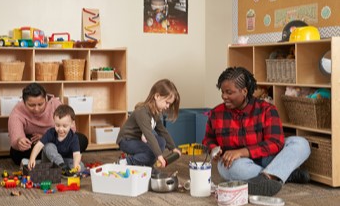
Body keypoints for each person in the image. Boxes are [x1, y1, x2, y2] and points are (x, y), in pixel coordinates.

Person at [202, 67, 311, 196]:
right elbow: (208, 140)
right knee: (228, 168)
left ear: (244, 91)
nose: (224, 96)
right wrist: (214, 149)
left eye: (229, 92)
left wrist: (242, 152)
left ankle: (270, 177)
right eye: (222, 92)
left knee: (301, 144)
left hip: (267, 157)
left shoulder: (267, 110)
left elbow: (275, 142)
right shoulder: (216, 113)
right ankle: (281, 174)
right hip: (239, 163)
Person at [8, 83, 88, 166]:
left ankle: (49, 161)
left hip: (58, 140)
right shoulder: (17, 112)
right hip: (36, 144)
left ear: (46, 99)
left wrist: (46, 136)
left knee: (81, 139)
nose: (36, 109)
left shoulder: (55, 104)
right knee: (16, 153)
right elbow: (15, 137)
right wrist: (20, 141)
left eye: (40, 104)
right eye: (31, 105)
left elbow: (71, 129)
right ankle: (61, 159)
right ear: (24, 102)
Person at [116, 79, 182, 171]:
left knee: (161, 142)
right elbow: (149, 135)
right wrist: (159, 156)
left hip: (137, 139)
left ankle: (146, 165)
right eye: (167, 102)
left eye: (169, 104)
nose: (167, 106)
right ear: (157, 96)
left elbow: (162, 131)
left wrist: (173, 148)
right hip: (126, 140)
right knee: (152, 152)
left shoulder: (155, 112)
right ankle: (126, 162)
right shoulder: (142, 112)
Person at [28, 104, 84, 176]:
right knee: (48, 146)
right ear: (54, 121)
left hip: (66, 161)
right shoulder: (50, 133)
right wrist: (32, 158)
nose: (60, 129)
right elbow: (39, 145)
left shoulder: (74, 138)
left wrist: (76, 164)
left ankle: (61, 169)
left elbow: (76, 154)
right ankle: (60, 166)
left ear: (72, 124)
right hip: (50, 160)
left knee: (81, 166)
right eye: (57, 125)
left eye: (64, 126)